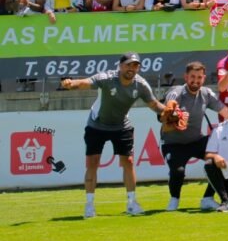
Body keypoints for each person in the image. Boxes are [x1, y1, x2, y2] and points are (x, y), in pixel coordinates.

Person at [60, 52, 165, 218]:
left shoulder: (141, 85)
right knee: (93, 163)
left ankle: (132, 203)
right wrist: (70, 83)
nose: (132, 68)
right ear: (120, 65)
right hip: (97, 124)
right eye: (129, 64)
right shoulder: (107, 78)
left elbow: (153, 104)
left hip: (121, 125)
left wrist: (170, 111)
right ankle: (89, 206)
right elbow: (85, 82)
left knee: (128, 161)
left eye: (135, 65)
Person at [161, 62, 228, 212]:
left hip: (196, 141)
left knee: (222, 156)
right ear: (186, 77)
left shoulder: (206, 93)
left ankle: (208, 198)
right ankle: (174, 199)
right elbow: (166, 110)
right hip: (173, 143)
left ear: (204, 78)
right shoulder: (176, 92)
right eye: (192, 76)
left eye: (199, 77)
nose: (195, 80)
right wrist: (170, 114)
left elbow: (226, 112)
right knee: (178, 171)